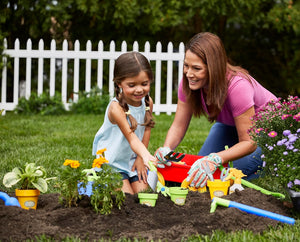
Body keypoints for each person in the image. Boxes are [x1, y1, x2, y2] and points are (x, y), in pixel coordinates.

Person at [155, 32, 277, 188]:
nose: (189, 73)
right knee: (198, 170)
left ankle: (273, 167)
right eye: (186, 66)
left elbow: (249, 141)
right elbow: (178, 126)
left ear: (213, 68)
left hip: (267, 133)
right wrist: (166, 149)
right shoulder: (188, 84)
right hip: (230, 126)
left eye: (196, 68)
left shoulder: (238, 87)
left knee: (229, 174)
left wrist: (216, 159)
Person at [92, 51, 156, 194]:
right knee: (126, 200)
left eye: (144, 84)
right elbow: (131, 137)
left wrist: (141, 158)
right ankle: (97, 183)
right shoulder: (116, 107)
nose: (139, 89)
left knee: (145, 198)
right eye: (132, 85)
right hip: (112, 163)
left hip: (132, 161)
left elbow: (147, 130)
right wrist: (146, 156)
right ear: (119, 83)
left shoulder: (147, 103)